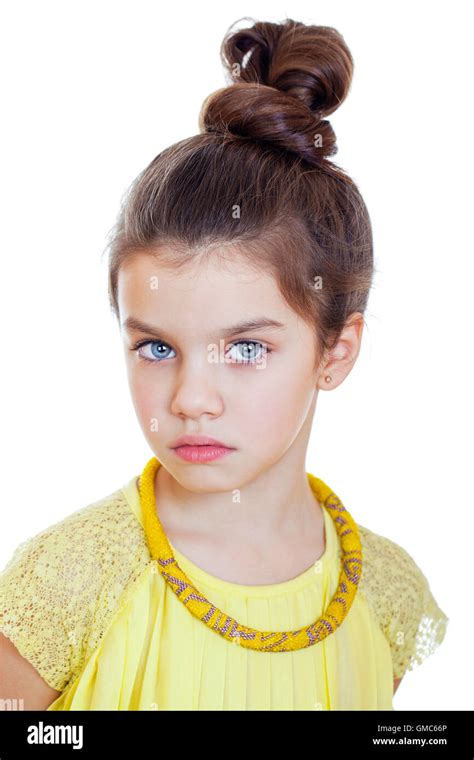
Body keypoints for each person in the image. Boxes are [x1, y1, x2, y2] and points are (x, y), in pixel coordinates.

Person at [0, 17, 448, 711]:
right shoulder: (65, 584)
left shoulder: (386, 594)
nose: (190, 398)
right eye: (156, 347)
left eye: (245, 349)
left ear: (336, 351)